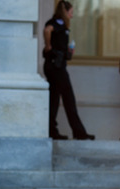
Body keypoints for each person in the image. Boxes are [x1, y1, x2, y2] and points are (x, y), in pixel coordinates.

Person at [42, 1, 94, 140]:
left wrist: (68, 52)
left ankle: (51, 131)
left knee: (54, 99)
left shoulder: (62, 25)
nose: (72, 15)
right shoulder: (56, 22)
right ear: (65, 11)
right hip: (56, 67)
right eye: (71, 12)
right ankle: (79, 132)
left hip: (56, 65)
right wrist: (48, 46)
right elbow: (47, 30)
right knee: (68, 99)